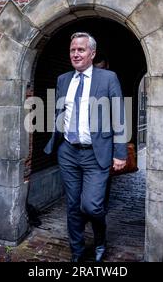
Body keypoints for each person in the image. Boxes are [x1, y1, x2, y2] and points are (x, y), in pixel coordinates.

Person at [44, 32, 127, 262]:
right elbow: (60, 112)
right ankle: (77, 252)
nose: (76, 54)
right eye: (72, 50)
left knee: (91, 206)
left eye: (81, 50)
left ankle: (100, 239)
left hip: (96, 154)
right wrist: (57, 140)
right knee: (72, 206)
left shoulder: (108, 78)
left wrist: (120, 153)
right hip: (68, 152)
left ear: (92, 53)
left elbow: (119, 116)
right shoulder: (63, 80)